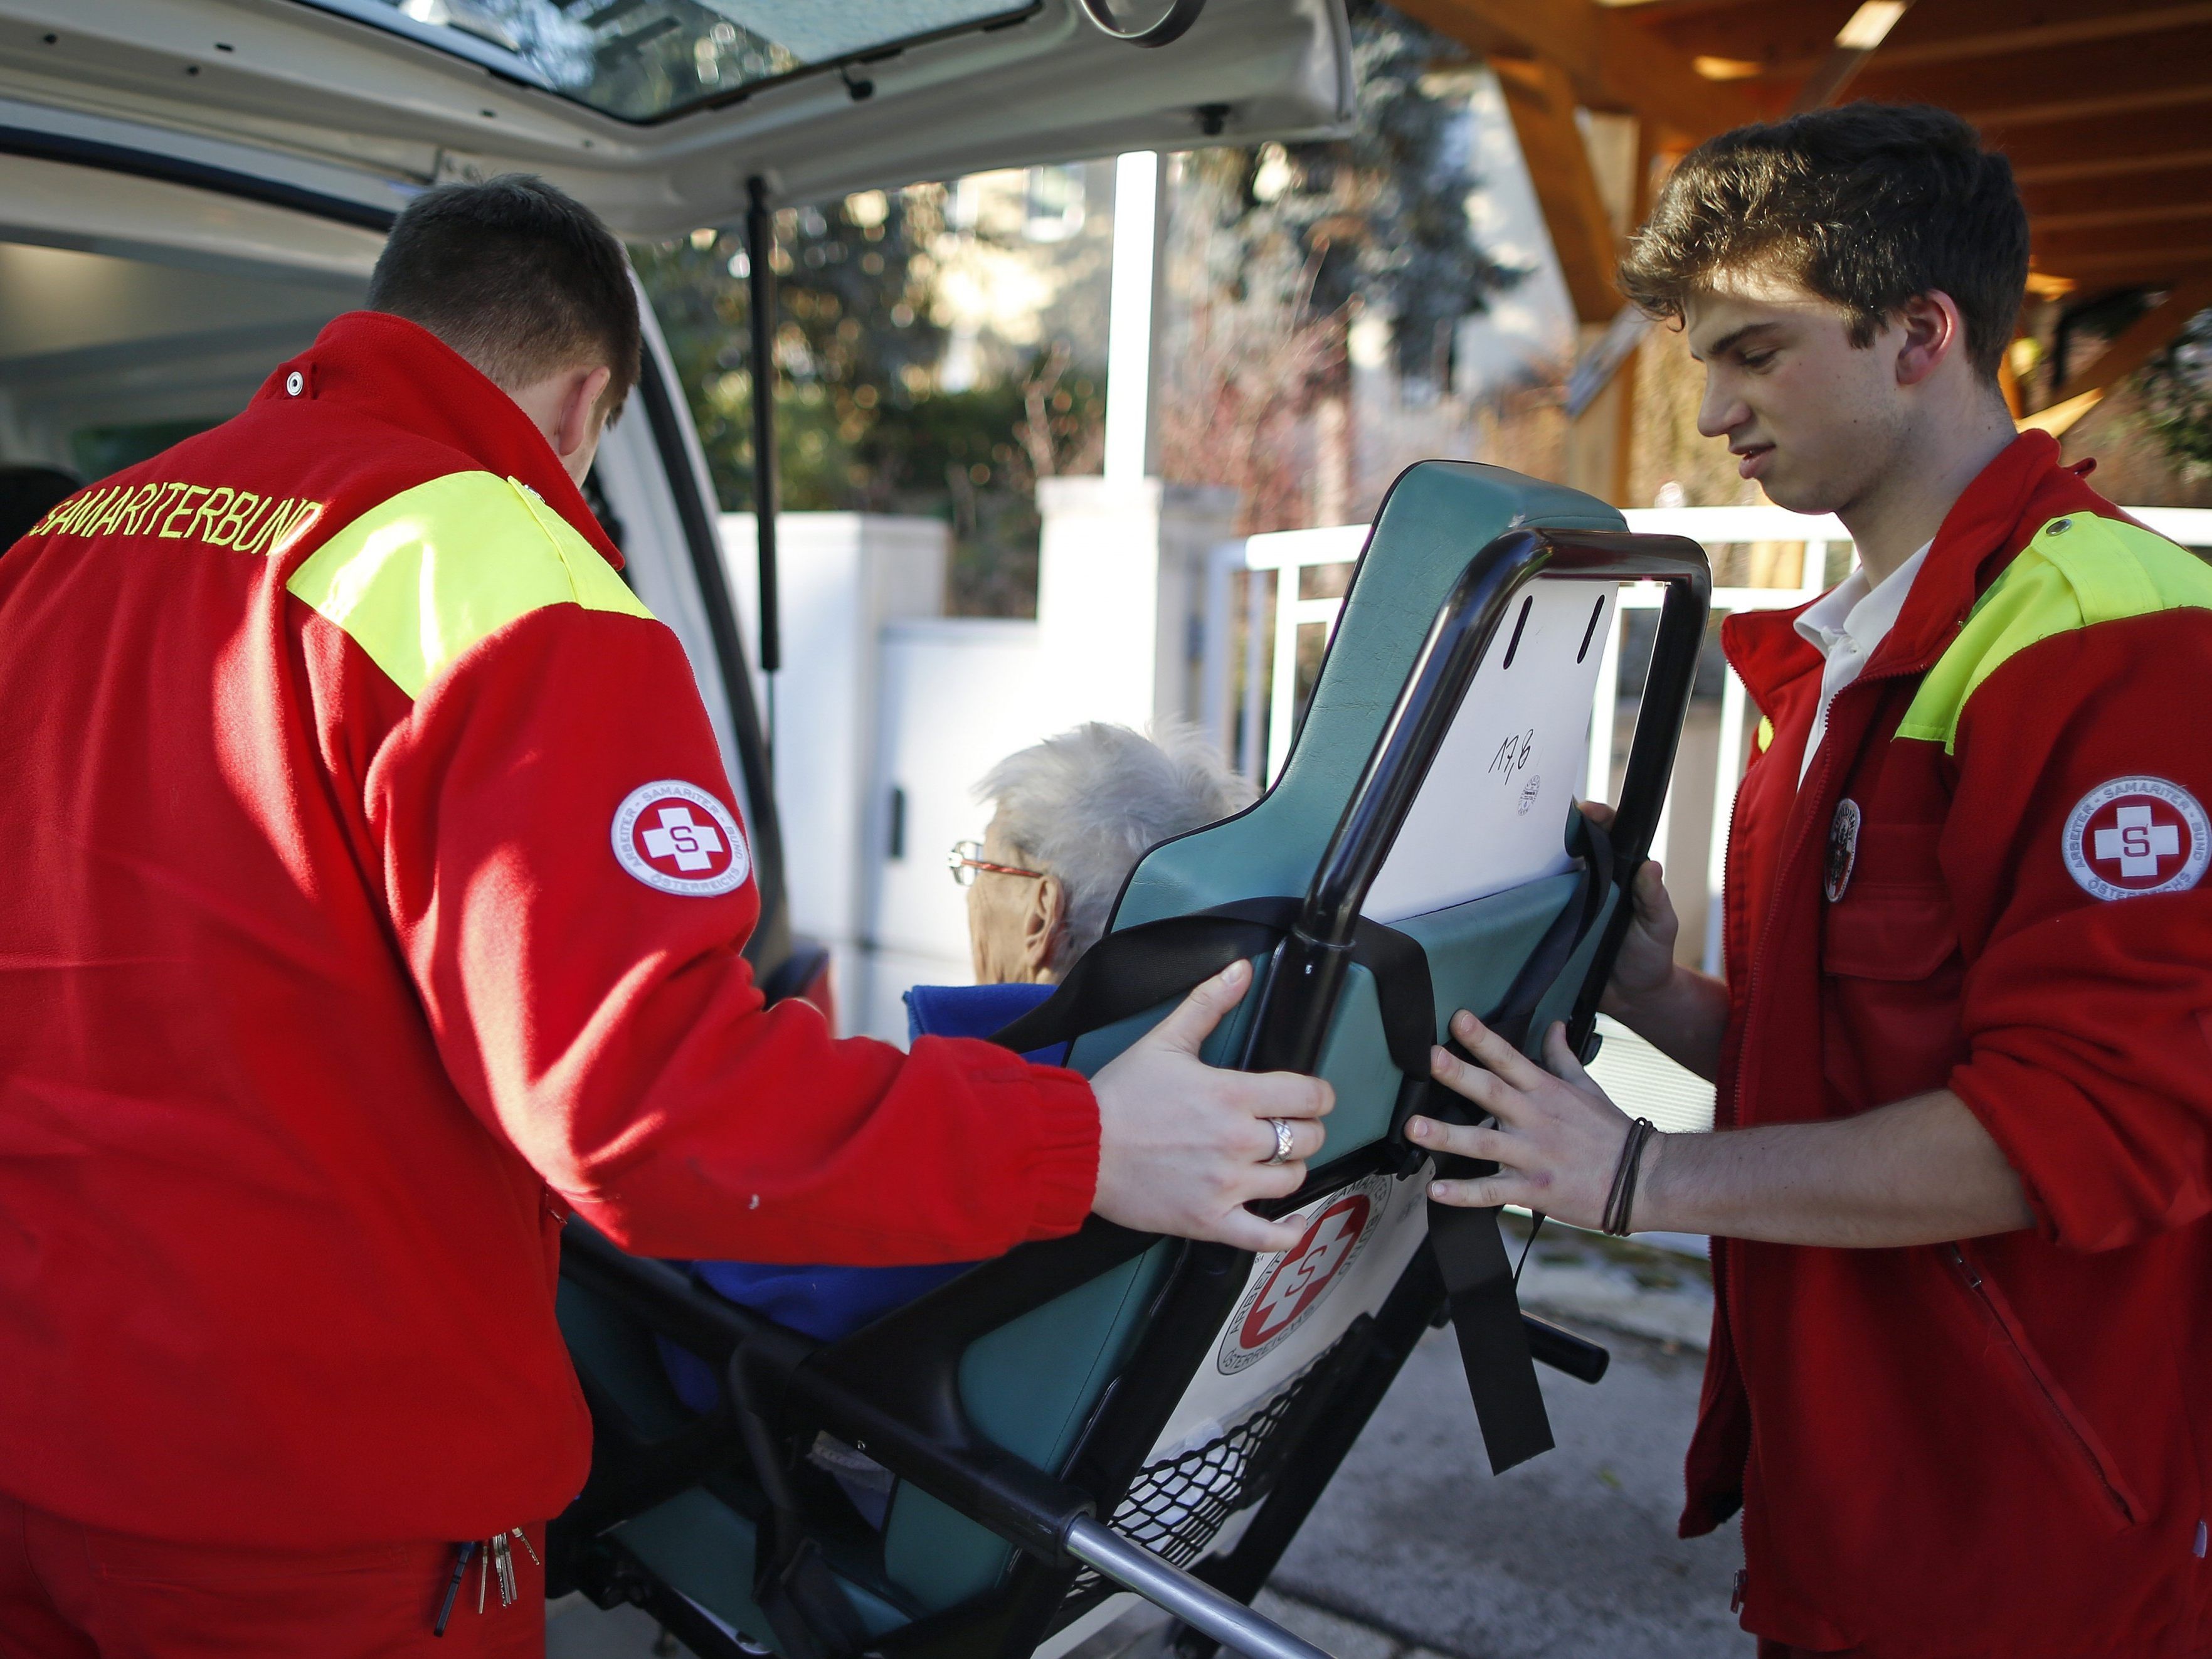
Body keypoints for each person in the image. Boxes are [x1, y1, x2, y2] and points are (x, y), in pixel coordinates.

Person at [0, 178, 1330, 1656]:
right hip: (303, 1501)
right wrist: (1080, 1139)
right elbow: (642, 1106)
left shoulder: (68, 544)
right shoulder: (500, 574)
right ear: (585, 401)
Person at [1409, 105, 2212, 1657]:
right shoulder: (1846, 648)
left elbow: (2082, 1124)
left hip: (2034, 1531)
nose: (1708, 409)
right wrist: (1657, 996)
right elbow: (1844, 1059)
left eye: (1754, 352)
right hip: (1852, 1487)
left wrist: (1634, 1173)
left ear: (1920, 332)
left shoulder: (2113, 638)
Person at [664, 721, 1257, 1384]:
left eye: (980, 864)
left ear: (1040, 912)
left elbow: (739, 1300)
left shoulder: (987, 1113)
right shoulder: (1217, 1098)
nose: (970, 889)